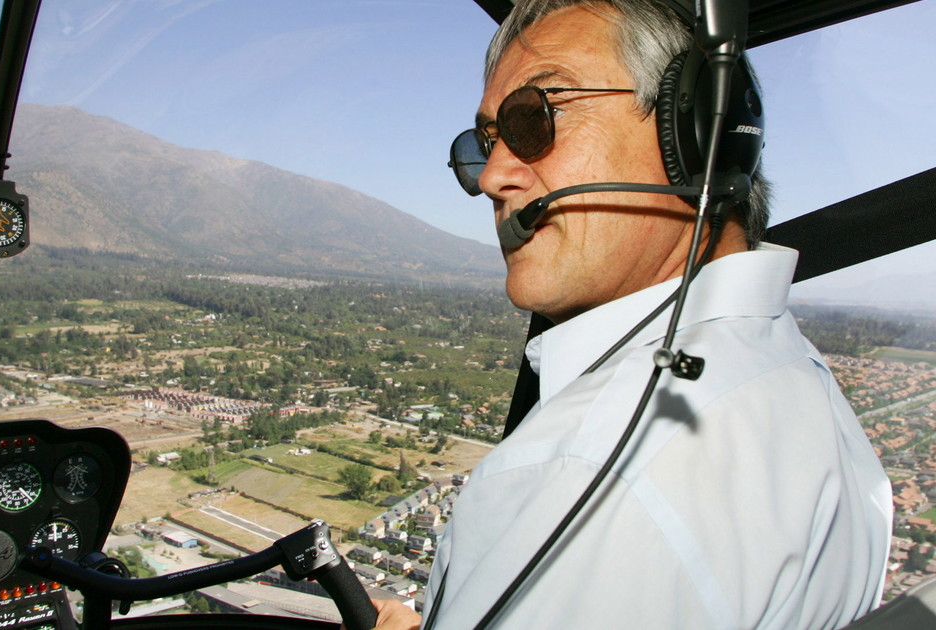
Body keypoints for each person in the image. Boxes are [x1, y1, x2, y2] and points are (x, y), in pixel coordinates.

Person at [368, 0, 893, 628]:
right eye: (485, 143)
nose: (493, 178)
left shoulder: (587, 479)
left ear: (697, 133)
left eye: (537, 117)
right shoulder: (790, 373)